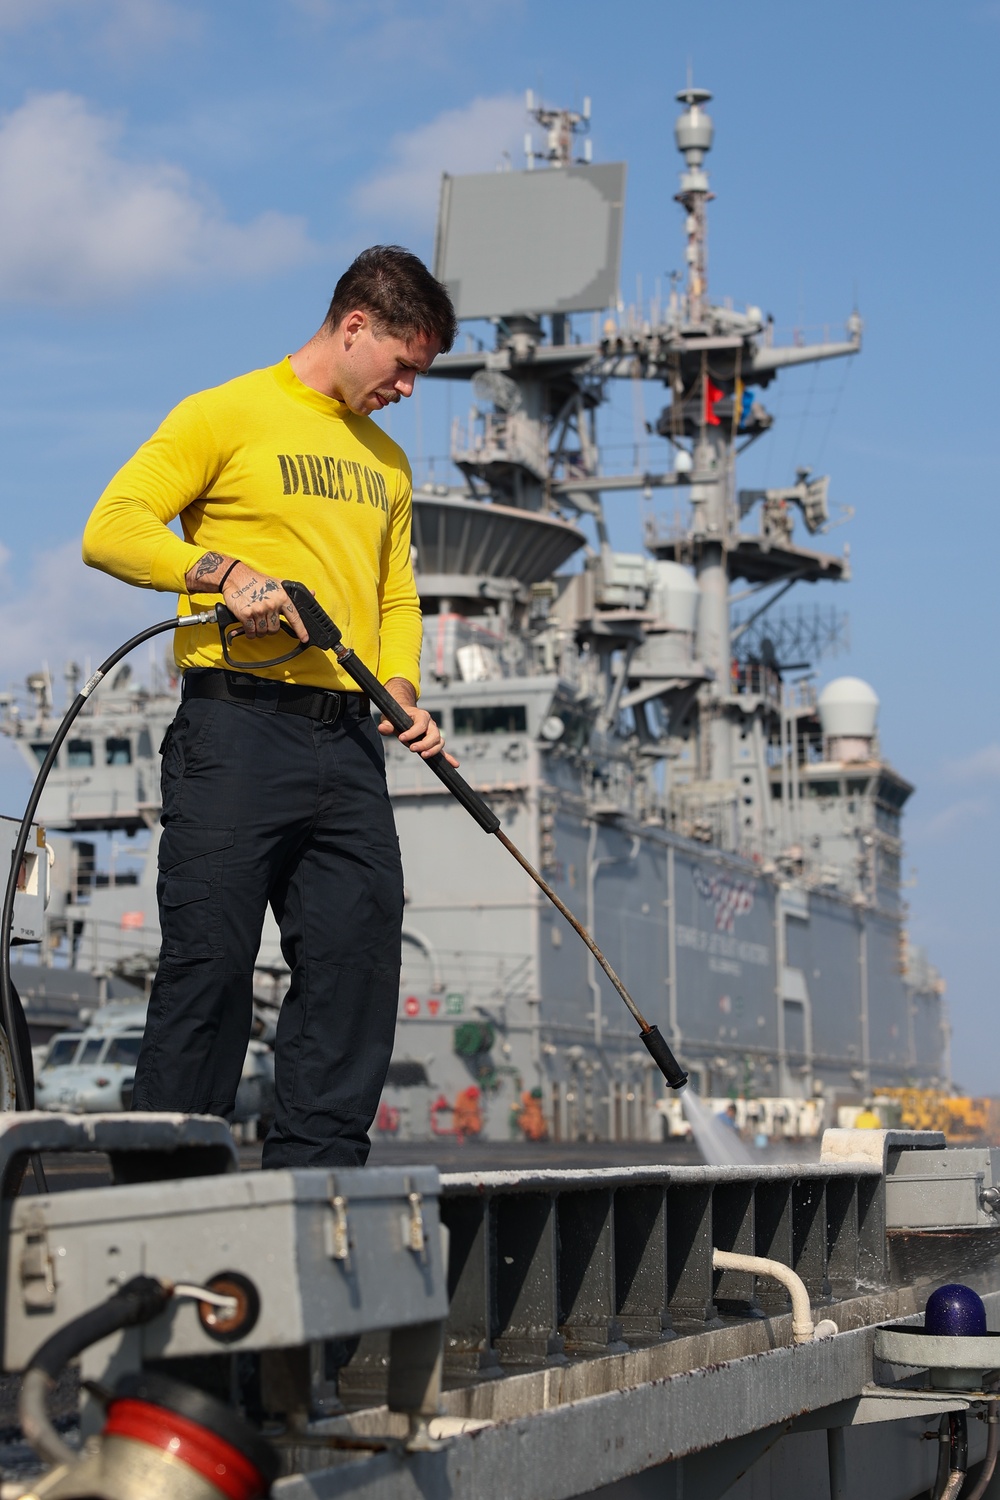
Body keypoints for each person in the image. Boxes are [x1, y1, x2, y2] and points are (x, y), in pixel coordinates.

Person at [82, 245, 457, 1169]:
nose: (410, 388)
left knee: (355, 968)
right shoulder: (226, 413)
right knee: (207, 967)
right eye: (405, 365)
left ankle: (317, 1193)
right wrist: (220, 570)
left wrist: (401, 689)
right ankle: (165, 1200)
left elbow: (396, 598)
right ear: (355, 325)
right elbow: (112, 526)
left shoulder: (390, 463)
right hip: (235, 729)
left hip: (347, 749)